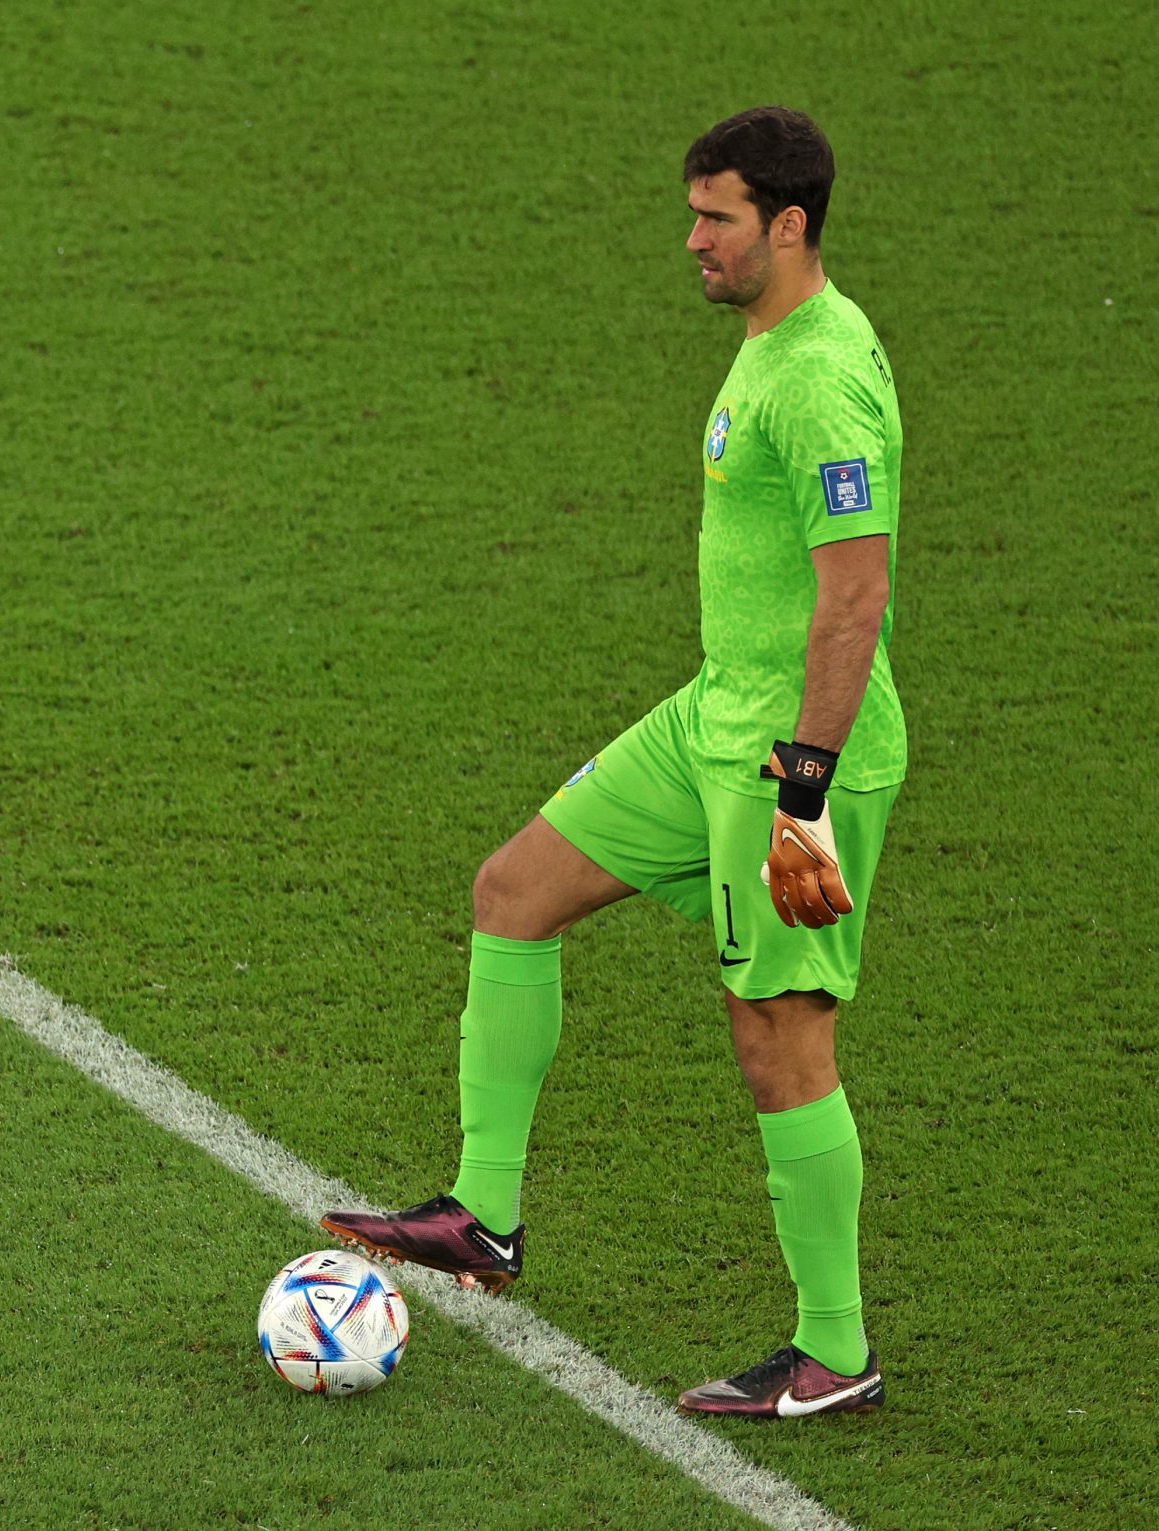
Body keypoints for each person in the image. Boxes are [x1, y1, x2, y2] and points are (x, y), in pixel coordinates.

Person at [322, 107, 904, 1419]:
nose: (693, 241)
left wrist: (802, 788)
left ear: (790, 225)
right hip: (708, 721)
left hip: (793, 763)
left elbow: (855, 600)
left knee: (780, 1039)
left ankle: (835, 1354)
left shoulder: (821, 377)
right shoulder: (769, 342)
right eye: (693, 214)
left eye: (719, 220)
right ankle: (485, 1216)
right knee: (514, 891)